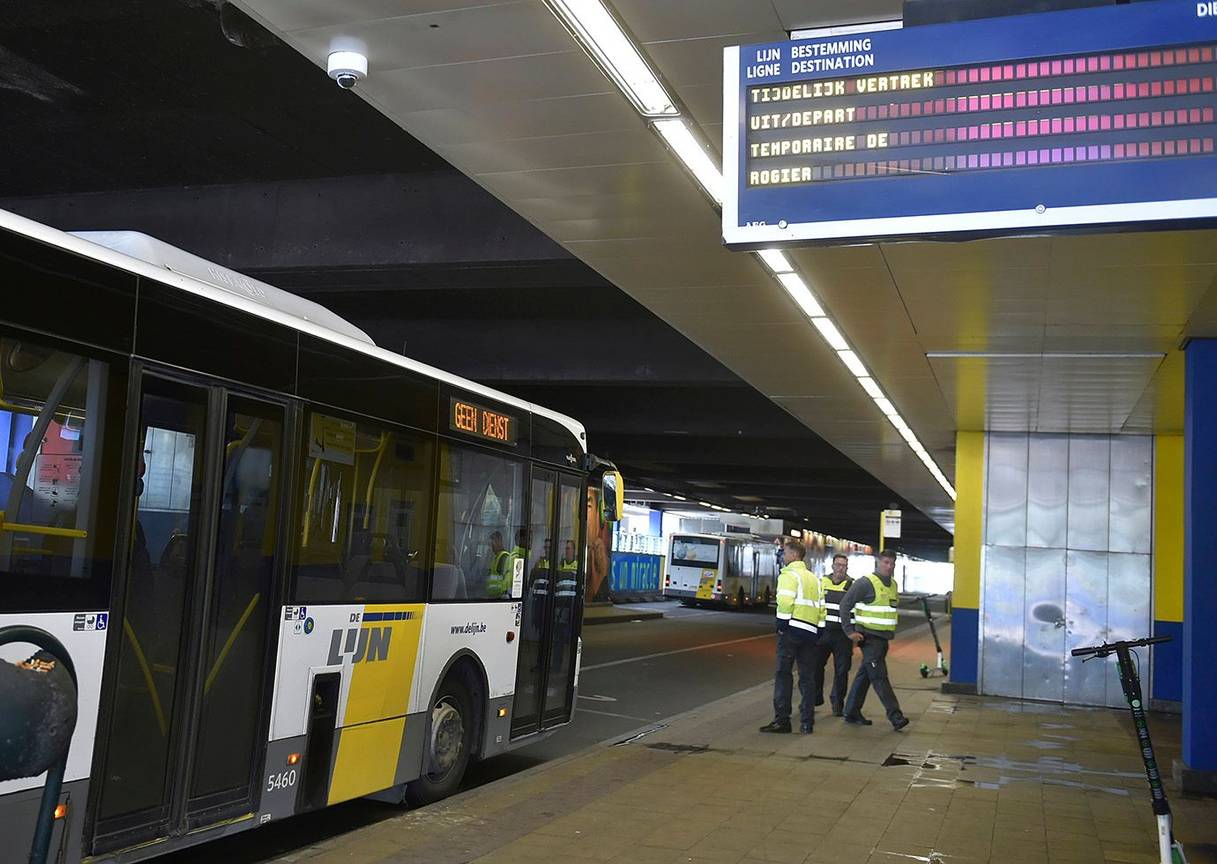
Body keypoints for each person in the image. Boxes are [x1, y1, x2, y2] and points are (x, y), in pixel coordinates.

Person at [759, 539, 824, 734]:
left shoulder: (788, 575)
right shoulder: (814, 578)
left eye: (785, 553)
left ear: (794, 555)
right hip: (810, 634)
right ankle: (807, 722)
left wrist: (781, 624)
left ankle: (782, 721)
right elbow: (821, 609)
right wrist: (818, 630)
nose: (783, 556)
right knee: (807, 678)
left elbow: (785, 602)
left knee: (783, 675)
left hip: (792, 631)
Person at [840, 548, 909, 731]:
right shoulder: (865, 583)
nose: (889, 566)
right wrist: (849, 632)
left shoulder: (893, 585)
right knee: (879, 677)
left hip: (883, 640)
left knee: (865, 675)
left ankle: (851, 711)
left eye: (892, 563)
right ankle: (896, 716)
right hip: (869, 638)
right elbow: (845, 605)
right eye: (886, 562)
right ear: (878, 563)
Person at [813, 553, 855, 717]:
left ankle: (837, 703)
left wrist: (854, 631)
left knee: (842, 670)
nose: (840, 568)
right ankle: (816, 697)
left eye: (843, 566)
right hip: (823, 633)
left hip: (843, 635)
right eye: (837, 565)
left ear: (846, 567)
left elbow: (856, 610)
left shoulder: (852, 586)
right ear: (832, 566)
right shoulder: (822, 582)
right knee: (816, 666)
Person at [486, 530, 511, 598]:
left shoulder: (503, 557)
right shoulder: (496, 557)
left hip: (500, 597)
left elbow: (505, 582)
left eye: (492, 543)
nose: (491, 546)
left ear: (498, 541)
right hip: (494, 597)